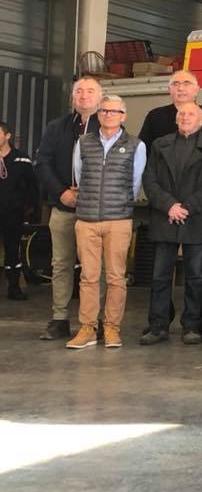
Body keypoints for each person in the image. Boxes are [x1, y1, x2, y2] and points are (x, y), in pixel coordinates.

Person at [138, 69, 202, 335]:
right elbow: (149, 179)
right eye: (181, 115)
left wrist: (186, 207)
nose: (185, 117)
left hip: (197, 218)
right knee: (159, 276)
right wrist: (170, 206)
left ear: (201, 119)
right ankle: (158, 326)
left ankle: (194, 326)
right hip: (165, 216)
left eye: (191, 114)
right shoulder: (159, 144)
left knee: (197, 276)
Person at [66, 95, 146, 349]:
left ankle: (111, 327)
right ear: (98, 114)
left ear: (123, 116)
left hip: (118, 219)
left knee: (115, 277)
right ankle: (88, 328)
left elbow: (135, 182)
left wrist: (117, 203)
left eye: (114, 111)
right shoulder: (83, 142)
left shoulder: (136, 145)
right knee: (88, 277)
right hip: (86, 219)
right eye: (104, 111)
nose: (108, 115)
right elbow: (79, 176)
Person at [35, 76, 101, 340]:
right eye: (79, 92)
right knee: (61, 263)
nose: (84, 96)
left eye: (90, 91)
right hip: (62, 207)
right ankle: (59, 318)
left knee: (95, 267)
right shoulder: (56, 127)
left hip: (95, 210)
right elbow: (43, 163)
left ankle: (93, 321)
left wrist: (88, 193)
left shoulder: (108, 126)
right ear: (73, 98)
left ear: (100, 97)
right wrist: (61, 193)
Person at [137, 69, 202, 153]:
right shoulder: (155, 116)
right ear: (169, 90)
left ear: (197, 89)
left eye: (186, 83)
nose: (180, 88)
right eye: (175, 84)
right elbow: (143, 150)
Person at [0, 121, 37, 300]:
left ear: (7, 136)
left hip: (13, 214)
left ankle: (14, 287)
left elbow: (32, 186)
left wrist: (29, 210)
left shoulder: (21, 159)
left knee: (13, 251)